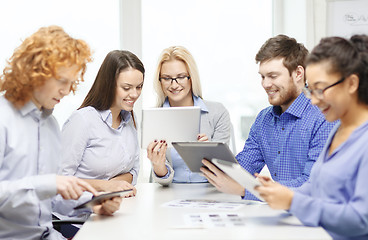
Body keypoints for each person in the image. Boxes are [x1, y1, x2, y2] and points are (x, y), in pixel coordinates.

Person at [0, 26, 122, 240]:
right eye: (61, 81)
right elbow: (42, 188)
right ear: (34, 72)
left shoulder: (51, 125)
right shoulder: (4, 118)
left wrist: (91, 203)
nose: (66, 91)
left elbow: (50, 198)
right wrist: (47, 183)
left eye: (71, 83)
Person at [255, 35, 368, 240]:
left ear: (351, 83)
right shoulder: (338, 130)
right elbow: (315, 186)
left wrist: (292, 202)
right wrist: (278, 191)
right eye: (310, 90)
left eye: (320, 89)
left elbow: (362, 220)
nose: (313, 101)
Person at [201, 35, 335, 200]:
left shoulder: (324, 116)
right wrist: (212, 155)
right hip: (279, 214)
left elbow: (312, 185)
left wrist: (245, 190)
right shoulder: (264, 120)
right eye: (262, 76)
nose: (265, 84)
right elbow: (243, 168)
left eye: (273, 76)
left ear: (298, 73)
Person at [59, 50, 144, 192]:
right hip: (77, 212)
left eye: (139, 87)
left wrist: (114, 185)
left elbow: (134, 171)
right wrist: (105, 186)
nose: (134, 94)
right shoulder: (82, 120)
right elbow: (60, 179)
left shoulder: (129, 119)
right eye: (126, 88)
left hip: (113, 208)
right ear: (109, 85)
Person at [147, 46, 231, 185]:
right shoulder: (155, 117)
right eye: (167, 78)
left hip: (210, 193)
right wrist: (158, 165)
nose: (174, 85)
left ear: (191, 78)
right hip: (169, 193)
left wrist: (208, 153)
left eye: (180, 77)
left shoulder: (217, 112)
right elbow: (163, 179)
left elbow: (224, 169)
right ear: (160, 81)